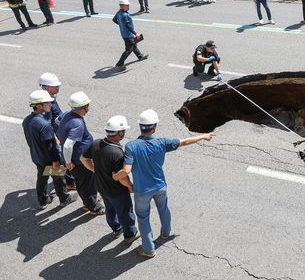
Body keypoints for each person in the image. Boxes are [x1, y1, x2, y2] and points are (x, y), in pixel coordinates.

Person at [112, 109, 214, 258]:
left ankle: (148, 249)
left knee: (143, 218)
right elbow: (184, 141)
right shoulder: (162, 143)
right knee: (163, 209)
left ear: (140, 126)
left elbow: (126, 170)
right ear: (154, 127)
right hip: (160, 186)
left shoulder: (131, 146)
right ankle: (165, 234)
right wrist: (204, 136)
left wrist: (115, 177)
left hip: (142, 190)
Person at [80, 116, 140, 243]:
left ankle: (116, 228)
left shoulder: (96, 143)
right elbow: (122, 177)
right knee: (125, 212)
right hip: (116, 190)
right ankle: (130, 234)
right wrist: (130, 187)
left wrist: (95, 170)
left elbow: (83, 159)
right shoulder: (117, 153)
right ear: (120, 133)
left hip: (101, 186)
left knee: (110, 209)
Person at [23, 90, 78, 210]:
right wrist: (55, 160)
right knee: (59, 178)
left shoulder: (26, 120)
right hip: (49, 159)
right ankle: (64, 199)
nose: (50, 105)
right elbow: (50, 146)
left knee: (42, 177)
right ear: (38, 106)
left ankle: (42, 200)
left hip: (36, 156)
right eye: (47, 103)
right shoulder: (45, 125)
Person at [57, 91, 105, 215]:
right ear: (84, 107)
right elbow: (68, 145)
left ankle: (90, 200)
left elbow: (57, 121)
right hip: (80, 161)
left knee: (83, 183)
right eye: (87, 105)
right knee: (86, 185)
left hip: (76, 160)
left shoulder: (67, 115)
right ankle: (93, 207)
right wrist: (68, 162)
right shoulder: (77, 124)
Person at [38, 72, 77, 191]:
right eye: (55, 86)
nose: (58, 88)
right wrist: (56, 138)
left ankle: (66, 181)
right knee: (61, 160)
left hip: (59, 134)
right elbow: (48, 123)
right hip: (55, 138)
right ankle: (67, 184)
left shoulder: (50, 98)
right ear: (46, 87)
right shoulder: (45, 102)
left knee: (61, 161)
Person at [113, 0, 148, 71]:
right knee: (129, 50)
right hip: (128, 35)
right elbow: (128, 26)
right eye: (127, 5)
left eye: (128, 5)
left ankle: (140, 56)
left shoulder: (119, 12)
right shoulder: (125, 15)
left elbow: (114, 19)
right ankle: (119, 64)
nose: (128, 7)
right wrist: (135, 33)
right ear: (122, 6)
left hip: (124, 34)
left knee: (134, 45)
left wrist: (121, 25)